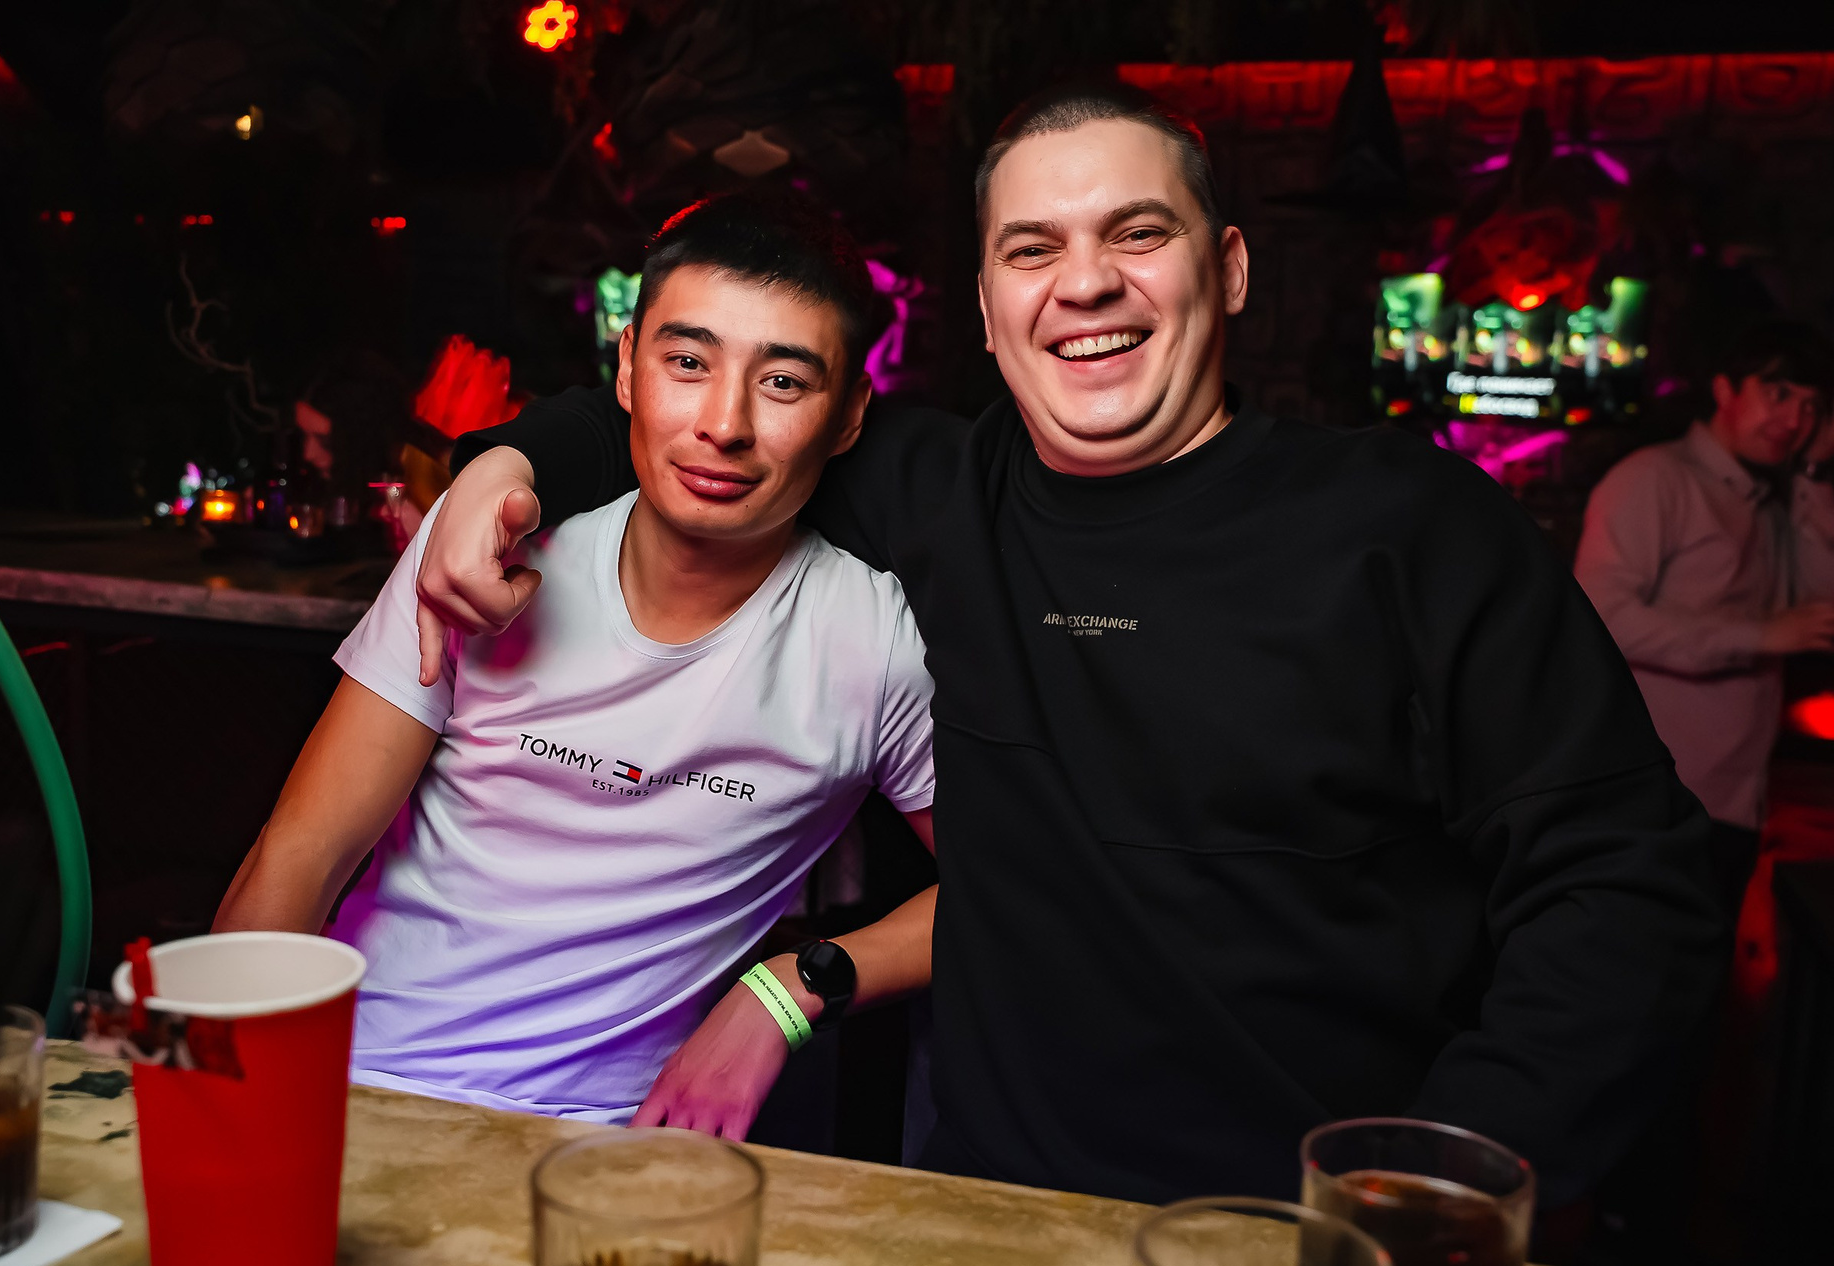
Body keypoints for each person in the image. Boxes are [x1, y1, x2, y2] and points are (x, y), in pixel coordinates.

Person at [416, 82, 1725, 1206]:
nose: (1085, 281)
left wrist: (1434, 1188)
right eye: (1032, 248)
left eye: (1137, 233)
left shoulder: (1411, 528)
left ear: (1230, 270)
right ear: (989, 312)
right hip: (992, 1212)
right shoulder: (934, 493)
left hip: (1307, 1230)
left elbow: (1626, 887)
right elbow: (692, 419)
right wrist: (504, 464)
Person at [214, 192, 938, 1134]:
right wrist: (217, 1101)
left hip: (611, 1144)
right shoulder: (488, 551)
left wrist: (789, 991)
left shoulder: (871, 642)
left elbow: (1013, 893)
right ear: (627, 369)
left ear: (847, 418)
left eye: (784, 383)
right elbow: (302, 853)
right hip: (350, 1083)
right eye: (688, 363)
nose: (724, 423)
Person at [1576, 320, 1834, 917]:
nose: (1794, 420)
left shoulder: (1769, 496)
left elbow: (1821, 605)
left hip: (1735, 803)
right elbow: (1603, 618)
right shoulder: (1654, 478)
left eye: (1811, 406)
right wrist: (1762, 635)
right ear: (1725, 390)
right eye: (1778, 393)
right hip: (1652, 798)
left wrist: (1815, 473)